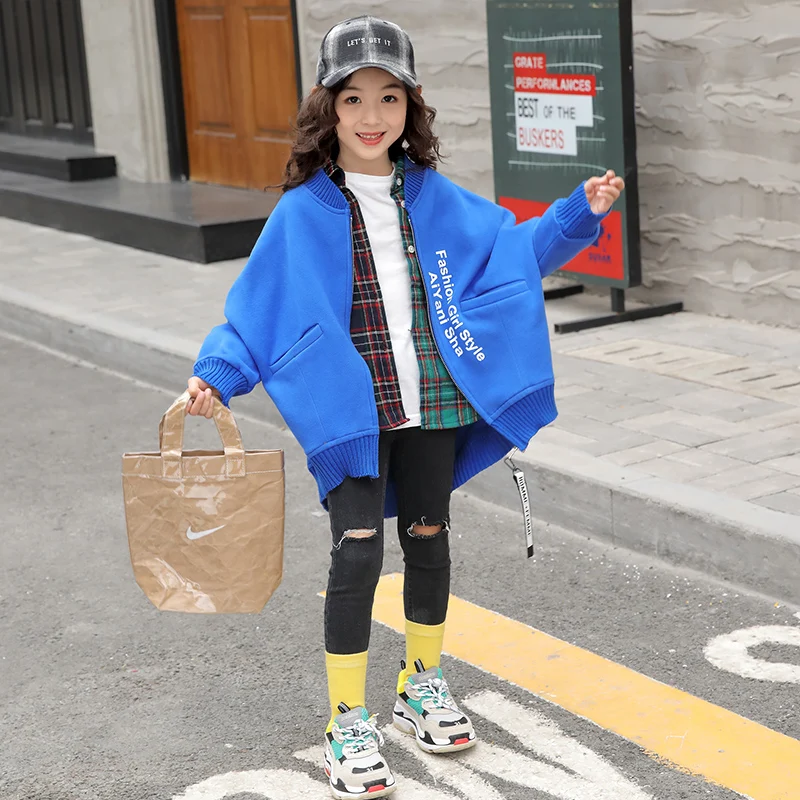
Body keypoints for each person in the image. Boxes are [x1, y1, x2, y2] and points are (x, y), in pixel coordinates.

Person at [186, 15, 624, 799]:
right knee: (357, 551)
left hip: (431, 401)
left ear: (410, 107)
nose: (371, 115)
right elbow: (258, 308)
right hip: (353, 414)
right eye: (353, 98)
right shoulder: (302, 210)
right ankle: (346, 718)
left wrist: (576, 215)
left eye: (389, 97)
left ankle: (421, 683)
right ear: (328, 107)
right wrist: (217, 373)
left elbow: (511, 256)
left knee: (429, 538)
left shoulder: (433, 195)